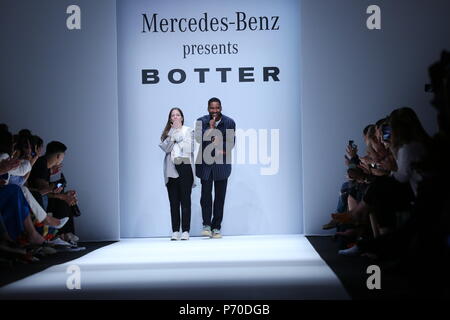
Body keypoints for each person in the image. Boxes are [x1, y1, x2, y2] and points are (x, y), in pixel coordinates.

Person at [195, 97, 235, 238]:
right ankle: (206, 225)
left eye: (217, 108)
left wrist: (219, 146)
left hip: (222, 166)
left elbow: (231, 144)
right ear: (208, 108)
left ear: (221, 108)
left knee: (220, 197)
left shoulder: (229, 122)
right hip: (205, 165)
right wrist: (211, 129)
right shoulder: (201, 121)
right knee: (205, 196)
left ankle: (216, 227)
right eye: (212, 108)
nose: (214, 110)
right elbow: (198, 140)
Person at [28, 141, 78, 242]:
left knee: (66, 199)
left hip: (39, 198)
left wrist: (63, 194)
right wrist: (62, 196)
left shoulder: (46, 166)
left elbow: (47, 190)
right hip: (37, 200)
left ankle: (65, 235)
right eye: (63, 156)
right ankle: (62, 235)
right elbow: (42, 190)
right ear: (59, 155)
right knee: (63, 201)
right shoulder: (41, 164)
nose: (63, 159)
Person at [159, 108, 195, 241]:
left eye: (177, 115)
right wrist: (172, 133)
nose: (175, 117)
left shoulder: (189, 130)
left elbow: (189, 148)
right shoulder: (167, 133)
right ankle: (175, 230)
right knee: (173, 202)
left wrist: (177, 136)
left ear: (182, 117)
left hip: (185, 167)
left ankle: (185, 230)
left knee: (186, 201)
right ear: (170, 119)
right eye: (173, 115)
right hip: (171, 168)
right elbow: (166, 148)